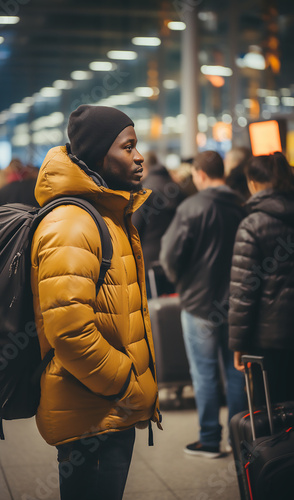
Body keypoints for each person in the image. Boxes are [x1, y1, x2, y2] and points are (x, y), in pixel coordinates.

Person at [31, 105, 162, 500]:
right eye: (128, 147)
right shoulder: (73, 223)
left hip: (104, 408)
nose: (139, 157)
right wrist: (125, 382)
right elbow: (69, 332)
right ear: (98, 154)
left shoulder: (106, 214)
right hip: (94, 412)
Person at [160, 150, 246, 458]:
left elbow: (170, 256)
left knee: (204, 373)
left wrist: (182, 283)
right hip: (237, 303)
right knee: (235, 372)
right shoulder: (242, 205)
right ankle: (241, 442)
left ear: (200, 174)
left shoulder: (191, 206)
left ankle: (210, 440)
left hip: (198, 304)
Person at [229, 152, 294, 405]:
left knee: (271, 415)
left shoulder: (252, 225)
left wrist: (238, 345)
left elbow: (243, 293)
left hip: (267, 341)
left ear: (253, 183)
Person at [132, 151, 185, 297]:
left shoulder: (145, 191)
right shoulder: (177, 188)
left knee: (154, 311)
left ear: (143, 167)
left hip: (149, 264)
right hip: (175, 258)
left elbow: (134, 228)